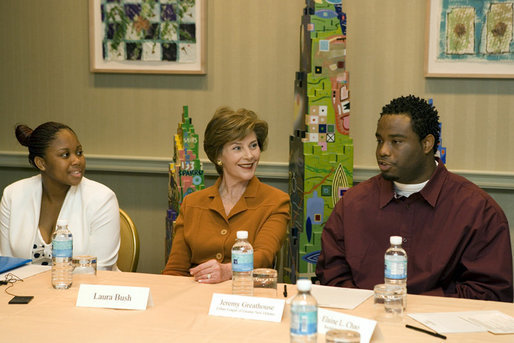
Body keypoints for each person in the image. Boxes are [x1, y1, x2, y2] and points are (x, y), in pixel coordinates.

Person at [316, 95, 513, 302]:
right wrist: (371, 308)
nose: (382, 151)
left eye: (396, 142)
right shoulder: (353, 204)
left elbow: (490, 293)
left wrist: (412, 306)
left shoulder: (477, 210)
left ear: (427, 144)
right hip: (365, 324)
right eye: (380, 140)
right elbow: (332, 275)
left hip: (441, 329)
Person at [163, 107, 290, 283]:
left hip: (246, 298)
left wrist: (227, 270)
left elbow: (263, 256)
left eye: (253, 145)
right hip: (197, 297)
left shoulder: (276, 201)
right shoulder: (192, 203)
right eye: (237, 148)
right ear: (218, 156)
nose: (250, 155)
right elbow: (175, 270)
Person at [0, 122, 120, 270]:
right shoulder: (13, 195)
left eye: (79, 152)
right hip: (25, 290)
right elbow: (6, 264)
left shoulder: (102, 199)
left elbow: (101, 269)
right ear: (41, 163)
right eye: (65, 155)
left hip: (85, 290)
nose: (77, 161)